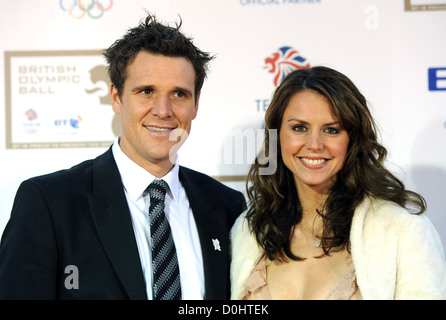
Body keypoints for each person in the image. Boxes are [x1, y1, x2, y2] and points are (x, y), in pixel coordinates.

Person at [0, 13, 245, 300]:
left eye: (179, 94)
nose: (163, 110)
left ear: (195, 104)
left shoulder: (227, 207)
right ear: (116, 97)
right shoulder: (50, 202)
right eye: (146, 91)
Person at [230, 66, 446, 300]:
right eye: (299, 128)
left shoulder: (403, 231)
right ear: (276, 135)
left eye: (331, 130)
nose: (314, 144)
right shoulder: (249, 233)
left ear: (352, 141)